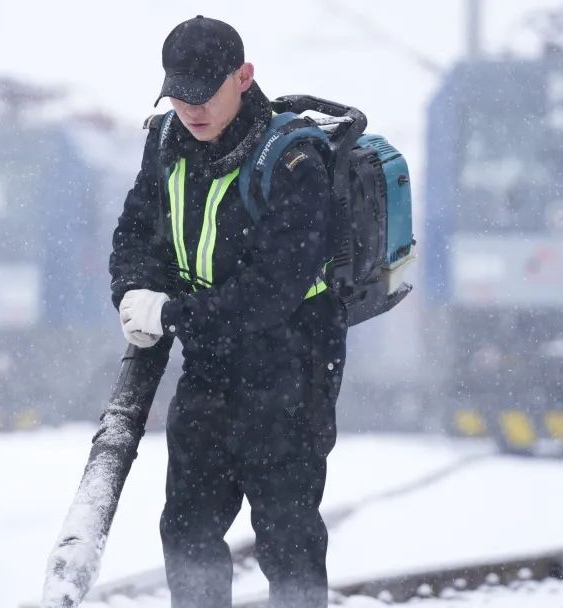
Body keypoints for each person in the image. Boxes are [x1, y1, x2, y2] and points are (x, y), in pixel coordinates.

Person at [109, 15, 347, 608]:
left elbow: (272, 290)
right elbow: (137, 231)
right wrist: (134, 292)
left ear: (243, 77)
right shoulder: (165, 144)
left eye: (203, 92)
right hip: (211, 361)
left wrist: (171, 316)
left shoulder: (294, 162)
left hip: (293, 363)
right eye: (177, 94)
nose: (189, 107)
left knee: (286, 534)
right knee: (187, 525)